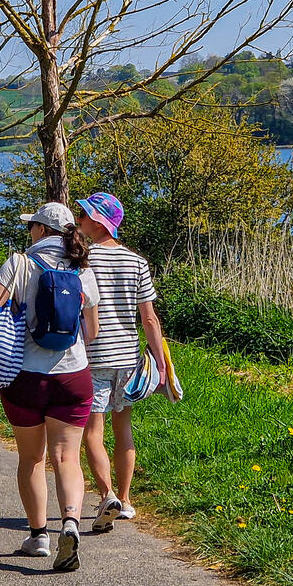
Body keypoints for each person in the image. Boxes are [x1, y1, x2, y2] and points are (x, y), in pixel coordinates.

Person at [0, 202, 99, 571]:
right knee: (67, 458)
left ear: (40, 230)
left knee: (32, 458)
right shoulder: (82, 267)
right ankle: (70, 522)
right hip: (73, 377)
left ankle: (39, 535)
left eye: (32, 227)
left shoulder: (19, 263)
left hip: (24, 378)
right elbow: (92, 331)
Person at [75, 192, 173, 532]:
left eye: (84, 215)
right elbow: (149, 319)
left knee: (93, 432)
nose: (79, 220)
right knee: (124, 428)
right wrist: (160, 363)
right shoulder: (137, 262)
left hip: (93, 356)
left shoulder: (84, 259)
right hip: (128, 357)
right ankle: (127, 500)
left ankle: (107, 495)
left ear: (99, 221)